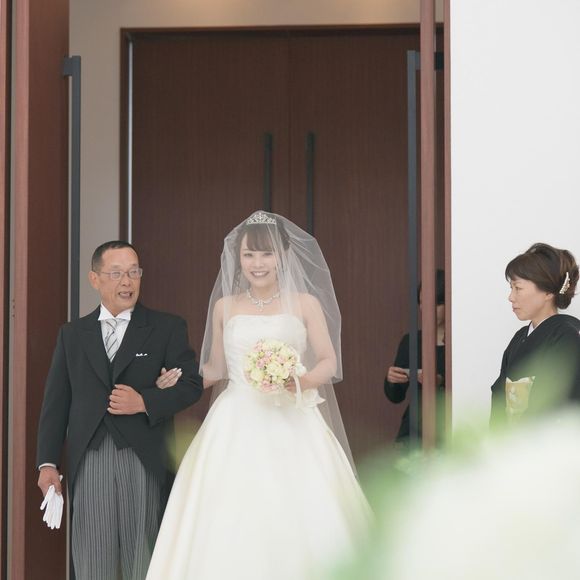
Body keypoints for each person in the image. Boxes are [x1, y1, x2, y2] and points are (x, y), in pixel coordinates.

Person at [146, 211, 371, 580]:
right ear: (238, 258)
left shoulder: (305, 303)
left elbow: (329, 361)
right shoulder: (225, 306)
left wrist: (301, 381)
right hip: (235, 417)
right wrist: (178, 381)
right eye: (248, 255)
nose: (257, 263)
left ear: (283, 256)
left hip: (293, 415)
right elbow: (216, 368)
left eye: (266, 254)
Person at [36, 241, 203, 580]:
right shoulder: (72, 334)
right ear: (94, 279)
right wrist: (48, 463)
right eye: (116, 273)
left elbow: (191, 385)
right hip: (90, 458)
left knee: (142, 561)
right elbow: (56, 403)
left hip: (143, 458)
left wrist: (144, 401)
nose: (127, 281)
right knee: (92, 561)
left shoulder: (166, 327)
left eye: (133, 272)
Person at [490, 242, 580, 426]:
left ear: (548, 292)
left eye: (518, 288)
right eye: (511, 288)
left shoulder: (567, 336)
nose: (511, 297)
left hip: (545, 439)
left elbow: (558, 401)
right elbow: (499, 394)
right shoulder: (520, 336)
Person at [384, 270, 446, 443]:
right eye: (422, 303)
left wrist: (440, 381)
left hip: (449, 427)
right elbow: (396, 397)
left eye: (435, 303)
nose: (426, 309)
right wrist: (392, 380)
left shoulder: (461, 341)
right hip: (414, 430)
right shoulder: (411, 341)